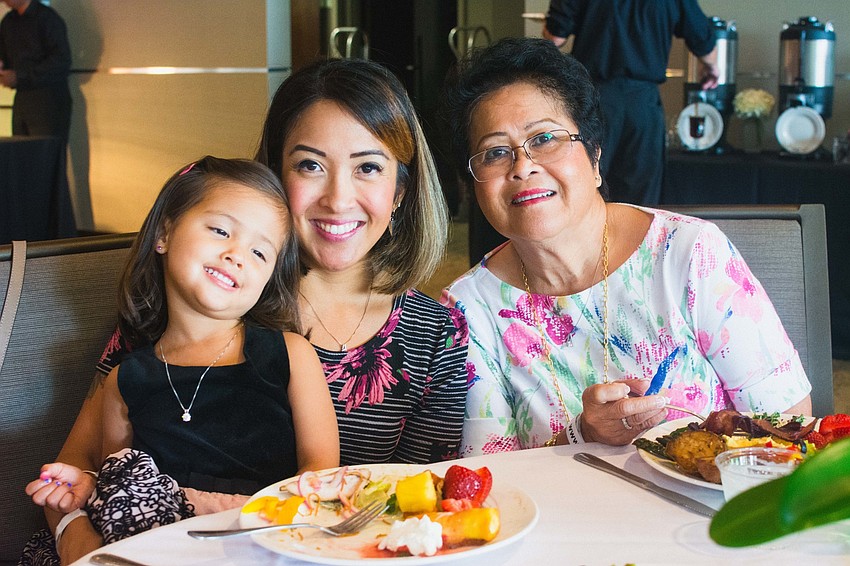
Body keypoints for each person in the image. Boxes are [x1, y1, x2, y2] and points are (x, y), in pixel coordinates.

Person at [42, 59, 468, 563]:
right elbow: (77, 467)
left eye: (368, 167)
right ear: (273, 175)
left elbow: (424, 511)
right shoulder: (202, 299)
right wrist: (80, 541)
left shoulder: (434, 332)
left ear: (399, 192)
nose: (337, 198)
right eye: (309, 165)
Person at [440, 37, 812, 457]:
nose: (523, 166)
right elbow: (490, 485)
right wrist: (581, 435)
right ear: (474, 185)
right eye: (495, 152)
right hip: (561, 520)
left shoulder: (688, 254)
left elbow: (790, 425)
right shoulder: (466, 309)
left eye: (544, 138)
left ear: (595, 158)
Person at [24, 156, 339, 563]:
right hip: (151, 547)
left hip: (256, 541)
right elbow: (116, 479)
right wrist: (77, 484)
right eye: (221, 230)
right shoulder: (126, 377)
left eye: (260, 253)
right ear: (164, 234)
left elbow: (319, 472)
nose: (237, 255)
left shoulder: (291, 354)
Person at [542, 0, 719, 206]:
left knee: (586, 188)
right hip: (642, 105)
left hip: (591, 100)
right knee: (641, 200)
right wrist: (711, 67)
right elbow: (703, 39)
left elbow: (555, 37)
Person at [0, 0, 72, 142]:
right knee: (21, 153)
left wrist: (19, 76)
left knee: (44, 156)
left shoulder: (47, 18)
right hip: (22, 98)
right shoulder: (8, 22)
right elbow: (4, 56)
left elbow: (61, 61)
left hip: (48, 99)